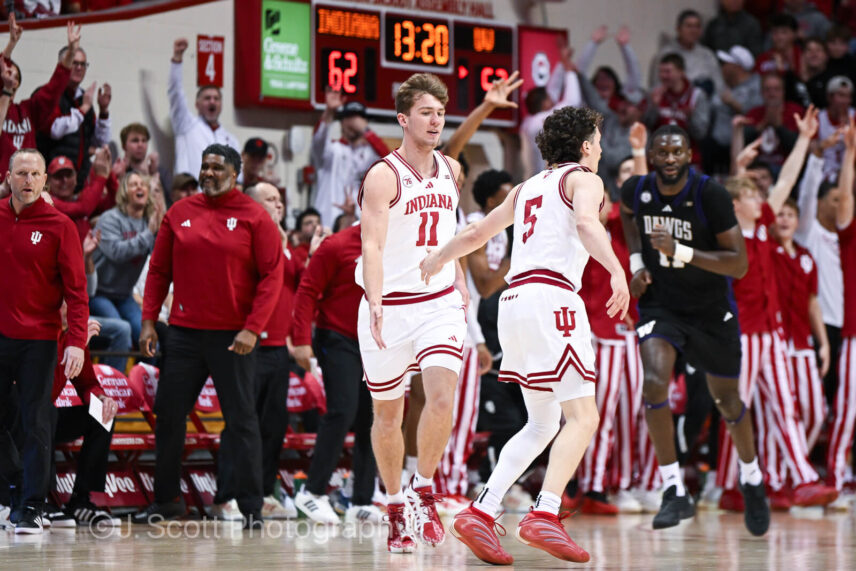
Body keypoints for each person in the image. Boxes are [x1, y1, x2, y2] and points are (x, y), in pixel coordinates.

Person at [421, 105, 628, 565]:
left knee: (542, 422)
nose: (600, 147)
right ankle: (546, 513)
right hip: (553, 300)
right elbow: (587, 225)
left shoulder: (527, 186)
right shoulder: (586, 179)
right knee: (583, 417)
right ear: (586, 146)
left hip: (514, 305)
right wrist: (616, 270)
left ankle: (482, 509)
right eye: (597, 139)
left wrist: (438, 257)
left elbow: (476, 232)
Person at [618, 125, 769, 536]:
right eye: (661, 152)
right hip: (661, 306)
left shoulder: (710, 195)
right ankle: (673, 489)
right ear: (651, 155)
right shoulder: (637, 189)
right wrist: (636, 265)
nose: (669, 159)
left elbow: (738, 263)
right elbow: (628, 216)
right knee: (653, 384)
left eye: (677, 152)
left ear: (689, 155)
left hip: (710, 311)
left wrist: (680, 251)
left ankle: (752, 478)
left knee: (727, 401)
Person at [134, 144, 284, 529]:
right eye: (205, 166)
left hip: (234, 336)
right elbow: (158, 271)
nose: (209, 172)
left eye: (218, 167)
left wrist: (253, 327)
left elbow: (272, 276)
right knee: (168, 415)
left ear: (236, 174)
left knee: (241, 420)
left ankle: (251, 507)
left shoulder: (255, 217)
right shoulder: (179, 213)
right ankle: (167, 499)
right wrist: (149, 321)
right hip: (183, 333)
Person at [357, 73, 468, 553]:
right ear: (403, 119)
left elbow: (451, 232)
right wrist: (376, 300)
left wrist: (458, 278)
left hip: (438, 302)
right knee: (387, 415)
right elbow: (372, 245)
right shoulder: (383, 175)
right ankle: (396, 504)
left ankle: (424, 489)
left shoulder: (452, 170)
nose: (436, 119)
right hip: (389, 305)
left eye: (441, 112)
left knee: (442, 396)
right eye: (426, 111)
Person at [0, 148, 88, 534]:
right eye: (21, 173)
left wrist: (77, 342)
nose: (28, 180)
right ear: (8, 177)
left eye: (35, 174)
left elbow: (77, 290)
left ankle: (32, 505)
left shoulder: (60, 225)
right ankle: (8, 493)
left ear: (45, 181)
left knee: (36, 420)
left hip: (40, 338)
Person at [290, 221, 382, 525]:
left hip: (376, 341)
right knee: (342, 410)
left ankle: (361, 501)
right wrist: (302, 340)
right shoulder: (336, 246)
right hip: (337, 337)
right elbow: (306, 291)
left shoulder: (395, 245)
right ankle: (311, 492)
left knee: (374, 417)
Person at [773, 198, 829, 454]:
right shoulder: (767, 252)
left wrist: (824, 343)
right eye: (780, 214)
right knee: (784, 413)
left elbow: (812, 303)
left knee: (816, 413)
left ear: (798, 221)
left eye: (790, 215)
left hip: (803, 344)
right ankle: (784, 474)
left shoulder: (806, 257)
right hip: (777, 345)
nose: (784, 219)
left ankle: (797, 463)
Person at [91, 172, 162, 354]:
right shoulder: (110, 219)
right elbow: (117, 253)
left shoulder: (149, 223)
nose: (140, 187)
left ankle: (144, 379)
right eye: (133, 184)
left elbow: (159, 258)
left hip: (124, 295)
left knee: (149, 339)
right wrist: (148, 233)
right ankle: (113, 381)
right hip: (99, 293)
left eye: (142, 184)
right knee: (122, 331)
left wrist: (159, 224)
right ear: (124, 192)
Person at [0, 17, 79, 175]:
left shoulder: (27, 110)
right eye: (8, 74)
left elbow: (54, 88)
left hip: (28, 186)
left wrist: (71, 53)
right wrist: (11, 45)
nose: (11, 79)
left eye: (15, 77)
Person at [37, 39, 111, 189]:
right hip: (50, 183)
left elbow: (98, 141)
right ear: (62, 65)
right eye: (74, 63)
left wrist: (103, 111)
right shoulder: (48, 95)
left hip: (79, 183)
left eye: (83, 64)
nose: (79, 68)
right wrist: (83, 109)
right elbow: (55, 130)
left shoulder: (85, 99)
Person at [312, 93, 390, 227]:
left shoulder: (369, 154)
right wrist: (329, 112)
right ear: (342, 122)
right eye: (349, 118)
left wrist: (366, 131)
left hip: (357, 223)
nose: (353, 123)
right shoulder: (332, 149)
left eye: (357, 118)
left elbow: (392, 162)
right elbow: (318, 139)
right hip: (327, 222)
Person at [830, 115, 856, 506]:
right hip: (854, 335)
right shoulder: (850, 231)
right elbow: (844, 198)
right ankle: (835, 479)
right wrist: (850, 152)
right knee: (848, 411)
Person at [168, 38, 239, 176]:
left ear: (221, 105)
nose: (212, 102)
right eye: (207, 98)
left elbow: (237, 178)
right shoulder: (186, 125)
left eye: (216, 99)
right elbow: (175, 94)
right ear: (197, 104)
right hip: (192, 194)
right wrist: (177, 60)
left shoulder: (231, 140)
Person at [644, 53, 711, 157]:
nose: (663, 76)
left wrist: (691, 118)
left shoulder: (696, 95)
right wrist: (654, 106)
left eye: (667, 71)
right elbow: (646, 127)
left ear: (681, 72)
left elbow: (701, 134)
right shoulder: (655, 93)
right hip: (658, 160)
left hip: (688, 161)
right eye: (661, 72)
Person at [648, 9, 724, 95]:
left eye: (697, 26)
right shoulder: (665, 54)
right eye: (689, 26)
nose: (693, 31)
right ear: (678, 29)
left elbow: (719, 86)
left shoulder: (707, 55)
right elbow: (656, 87)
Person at [47, 148, 112, 241]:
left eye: (68, 175)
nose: (64, 180)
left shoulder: (80, 198)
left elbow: (112, 202)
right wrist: (101, 176)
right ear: (48, 181)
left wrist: (108, 167)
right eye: (58, 176)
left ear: (76, 178)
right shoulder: (48, 203)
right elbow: (83, 208)